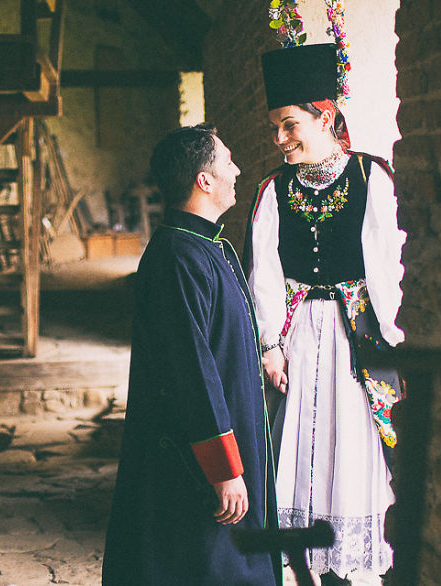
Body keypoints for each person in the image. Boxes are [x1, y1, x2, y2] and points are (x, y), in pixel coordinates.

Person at [243, 43, 406, 585]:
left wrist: (393, 341)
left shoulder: (369, 177)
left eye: (289, 125)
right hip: (299, 340)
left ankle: (348, 567)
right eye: (275, 128)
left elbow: (387, 269)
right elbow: (262, 276)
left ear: (326, 116)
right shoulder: (273, 191)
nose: (279, 139)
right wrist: (270, 346)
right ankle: (304, 566)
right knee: (298, 444)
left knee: (353, 444)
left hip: (356, 336)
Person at [102, 124, 280, 586]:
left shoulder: (208, 245)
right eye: (227, 162)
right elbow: (191, 370)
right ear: (204, 180)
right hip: (198, 457)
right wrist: (224, 469)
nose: (237, 170)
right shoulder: (178, 256)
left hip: (232, 437)